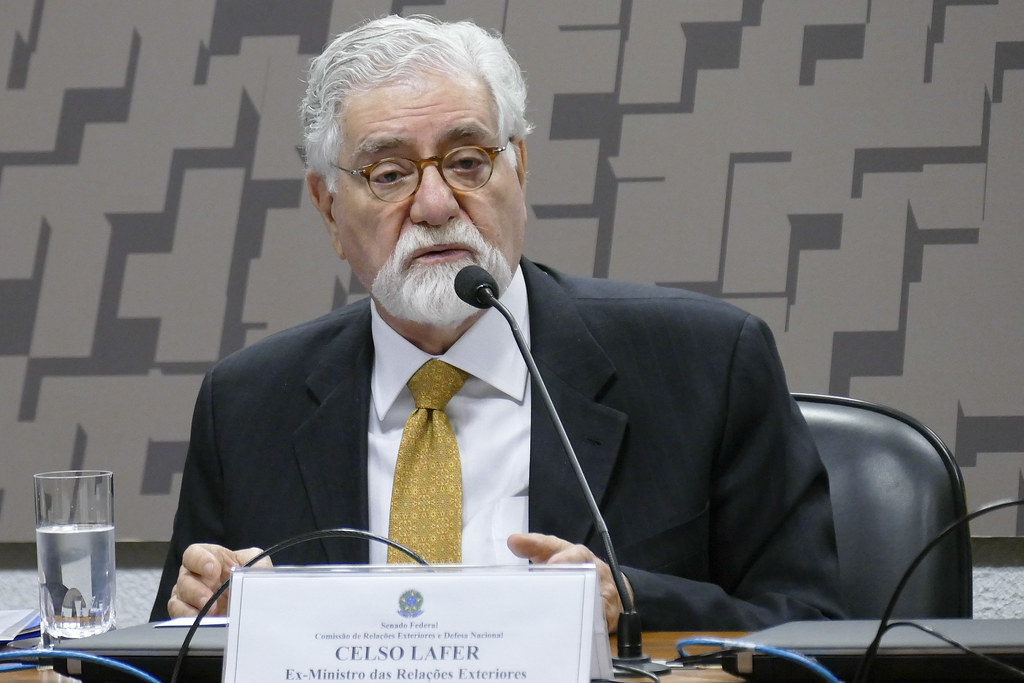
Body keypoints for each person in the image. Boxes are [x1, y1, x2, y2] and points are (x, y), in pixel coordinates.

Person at [151, 14, 844, 631]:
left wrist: (633, 602)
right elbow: (166, 653)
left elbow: (814, 632)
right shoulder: (246, 408)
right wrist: (208, 614)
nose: (435, 205)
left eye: (467, 162)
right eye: (389, 173)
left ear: (520, 169)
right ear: (329, 208)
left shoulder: (706, 366)